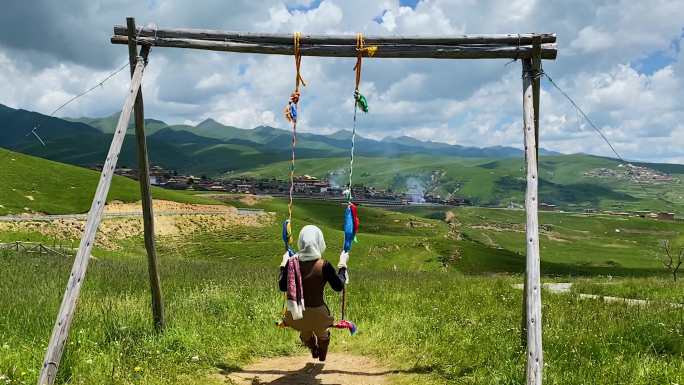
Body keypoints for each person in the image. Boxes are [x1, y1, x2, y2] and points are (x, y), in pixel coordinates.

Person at [278, 225, 349, 361]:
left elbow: (282, 287)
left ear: (301, 242)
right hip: (319, 315)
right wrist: (342, 266)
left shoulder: (291, 263)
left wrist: (283, 265)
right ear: (319, 242)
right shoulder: (324, 265)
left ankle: (312, 347)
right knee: (321, 329)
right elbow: (338, 286)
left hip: (296, 315)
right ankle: (322, 349)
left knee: (305, 330)